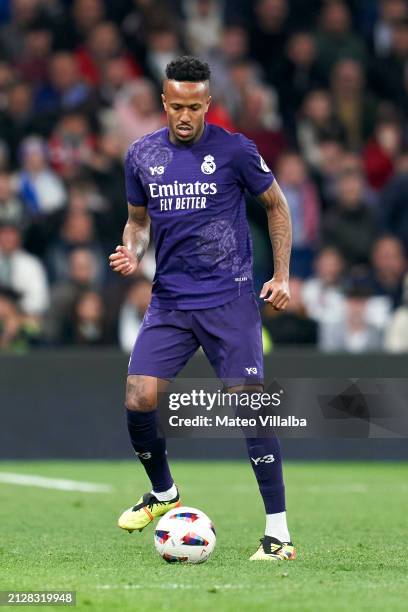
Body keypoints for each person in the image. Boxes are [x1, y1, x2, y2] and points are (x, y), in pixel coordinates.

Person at [109, 56, 295, 562]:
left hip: (229, 299)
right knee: (138, 396)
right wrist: (134, 249)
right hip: (170, 299)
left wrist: (280, 275)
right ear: (163, 103)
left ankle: (277, 534)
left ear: (207, 104)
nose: (185, 115)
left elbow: (277, 206)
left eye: (195, 106)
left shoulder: (235, 150)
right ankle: (164, 493)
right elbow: (137, 221)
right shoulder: (142, 155)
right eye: (177, 106)